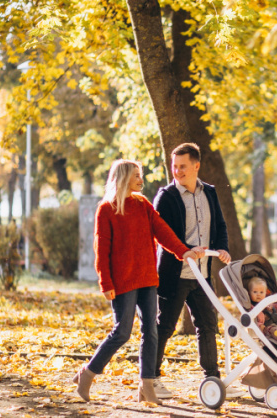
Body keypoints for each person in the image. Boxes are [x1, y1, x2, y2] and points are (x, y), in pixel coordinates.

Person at [72, 159, 204, 404]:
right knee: (122, 332)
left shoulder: (143, 204)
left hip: (146, 278)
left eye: (140, 175)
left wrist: (182, 251)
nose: (141, 180)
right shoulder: (107, 209)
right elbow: (102, 250)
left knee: (151, 332)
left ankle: (146, 387)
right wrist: (106, 283)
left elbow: (162, 230)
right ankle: (87, 374)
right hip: (122, 282)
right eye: (136, 176)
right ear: (123, 178)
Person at [152, 142, 243, 399]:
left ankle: (212, 379)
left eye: (183, 166)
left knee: (207, 325)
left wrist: (221, 248)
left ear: (196, 166)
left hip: (202, 274)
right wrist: (189, 249)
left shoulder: (210, 193)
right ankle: (152, 378)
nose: (177, 171)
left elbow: (220, 226)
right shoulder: (166, 196)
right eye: (174, 166)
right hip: (175, 273)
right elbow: (163, 236)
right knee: (165, 325)